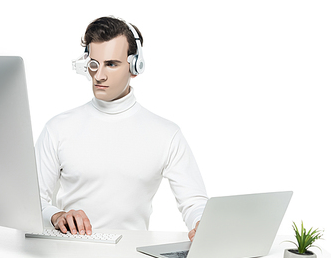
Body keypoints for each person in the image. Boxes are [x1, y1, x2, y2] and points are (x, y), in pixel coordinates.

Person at [35, 16, 208, 241]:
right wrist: (56, 215)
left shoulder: (166, 135)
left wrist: (201, 224)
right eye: (94, 64)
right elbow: (30, 201)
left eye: (112, 64)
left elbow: (195, 202)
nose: (99, 75)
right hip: (68, 257)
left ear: (135, 66)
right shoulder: (57, 128)